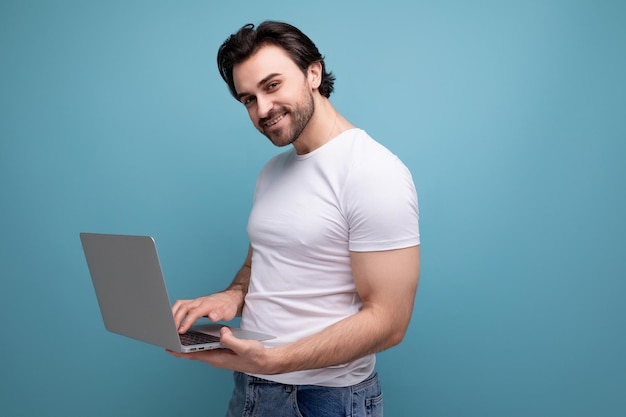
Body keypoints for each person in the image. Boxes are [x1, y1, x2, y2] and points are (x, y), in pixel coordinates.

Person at [168, 21, 420, 417]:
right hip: (253, 386)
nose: (262, 109)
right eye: (248, 99)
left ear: (313, 73)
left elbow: (389, 322)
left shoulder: (372, 171)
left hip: (324, 399)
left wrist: (275, 361)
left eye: (272, 86)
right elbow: (259, 264)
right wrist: (231, 296)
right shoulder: (272, 171)